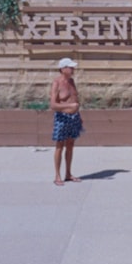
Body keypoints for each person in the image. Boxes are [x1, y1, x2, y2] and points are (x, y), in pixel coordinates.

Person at [50, 57, 84, 185]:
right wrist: (70, 107)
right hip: (62, 118)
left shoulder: (72, 81)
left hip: (74, 118)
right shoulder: (56, 83)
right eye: (70, 67)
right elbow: (53, 105)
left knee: (70, 146)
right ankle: (57, 175)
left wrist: (78, 115)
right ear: (63, 69)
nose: (73, 69)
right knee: (60, 146)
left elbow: (75, 99)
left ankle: (68, 173)